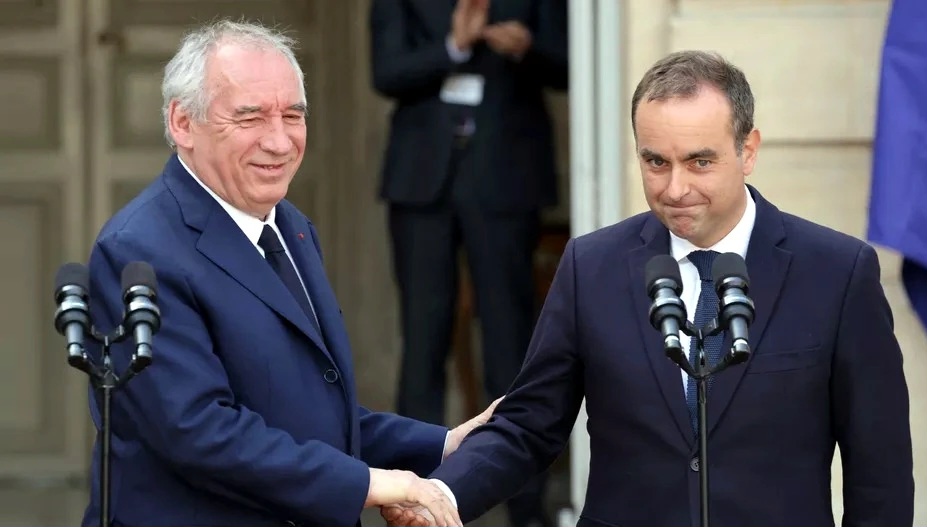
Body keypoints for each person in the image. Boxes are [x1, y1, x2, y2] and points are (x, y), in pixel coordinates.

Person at [384, 50, 915, 527]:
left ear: (748, 150)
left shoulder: (837, 272)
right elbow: (529, 425)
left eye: (699, 161)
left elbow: (880, 473)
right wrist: (442, 495)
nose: (675, 188)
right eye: (655, 161)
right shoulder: (591, 266)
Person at [80, 19, 490, 527]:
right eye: (250, 117)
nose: (279, 142)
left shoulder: (289, 225)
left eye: (293, 115)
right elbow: (198, 432)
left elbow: (308, 414)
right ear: (183, 123)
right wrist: (370, 484)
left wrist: (443, 444)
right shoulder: (138, 250)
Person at [368, 1, 567, 525]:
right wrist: (452, 47)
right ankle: (410, 502)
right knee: (423, 338)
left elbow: (576, 61)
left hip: (505, 172)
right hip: (422, 177)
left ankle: (526, 507)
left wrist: (526, 47)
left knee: (511, 341)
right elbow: (385, 70)